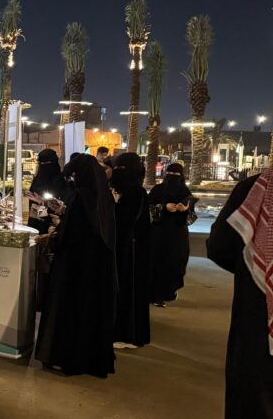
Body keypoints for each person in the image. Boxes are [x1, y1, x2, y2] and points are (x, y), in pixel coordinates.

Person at [206, 168, 273, 419]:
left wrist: (252, 274)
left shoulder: (259, 187)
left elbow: (221, 245)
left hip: (259, 318)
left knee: (259, 405)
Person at [35, 153, 118, 377]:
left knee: (68, 311)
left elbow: (72, 233)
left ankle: (66, 357)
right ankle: (88, 357)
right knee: (89, 311)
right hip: (96, 266)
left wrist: (55, 231)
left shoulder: (81, 197)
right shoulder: (103, 197)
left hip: (73, 266)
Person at [111, 152, 151, 348]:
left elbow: (125, 221)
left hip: (132, 251)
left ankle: (129, 335)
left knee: (130, 292)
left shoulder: (136, 192)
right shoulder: (125, 191)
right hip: (124, 249)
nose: (117, 173)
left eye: (121, 169)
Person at [148, 162, 193, 307]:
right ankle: (157, 295)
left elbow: (191, 216)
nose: (172, 177)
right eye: (170, 174)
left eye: (176, 175)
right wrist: (163, 207)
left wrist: (185, 208)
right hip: (159, 233)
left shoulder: (185, 192)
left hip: (177, 234)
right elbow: (149, 209)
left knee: (176, 263)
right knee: (158, 262)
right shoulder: (157, 190)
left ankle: (170, 291)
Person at [28, 148, 68, 234]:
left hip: (54, 223)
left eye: (46, 164)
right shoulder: (38, 179)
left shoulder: (60, 181)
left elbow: (63, 205)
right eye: (41, 164)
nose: (43, 166)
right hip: (36, 220)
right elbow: (33, 202)